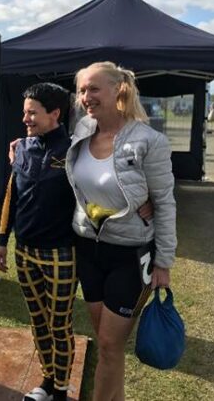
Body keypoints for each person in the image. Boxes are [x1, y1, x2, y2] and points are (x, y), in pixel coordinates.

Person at [0, 82, 154, 401]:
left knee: (58, 325)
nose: (26, 119)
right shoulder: (23, 147)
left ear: (54, 113)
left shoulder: (76, 151)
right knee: (38, 322)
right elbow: (13, 195)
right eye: (24, 113)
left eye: (32, 113)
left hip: (61, 254)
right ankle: (48, 381)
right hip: (24, 252)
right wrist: (2, 240)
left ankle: (60, 387)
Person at [65, 61, 177, 401]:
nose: (86, 96)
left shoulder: (148, 140)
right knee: (106, 345)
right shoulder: (82, 131)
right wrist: (22, 143)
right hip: (88, 249)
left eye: (94, 88)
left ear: (118, 90)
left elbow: (165, 200)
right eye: (82, 90)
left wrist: (164, 262)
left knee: (112, 345)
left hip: (130, 254)